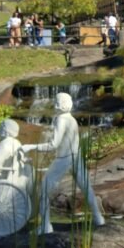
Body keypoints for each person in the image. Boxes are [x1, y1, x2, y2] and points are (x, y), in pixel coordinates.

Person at [20, 93, 105, 235]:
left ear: (60, 104)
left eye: (56, 101)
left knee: (43, 191)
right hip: (76, 157)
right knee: (86, 188)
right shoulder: (71, 119)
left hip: (64, 159)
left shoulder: (61, 119)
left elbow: (54, 144)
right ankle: (99, 218)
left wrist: (31, 147)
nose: (54, 104)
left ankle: (46, 226)